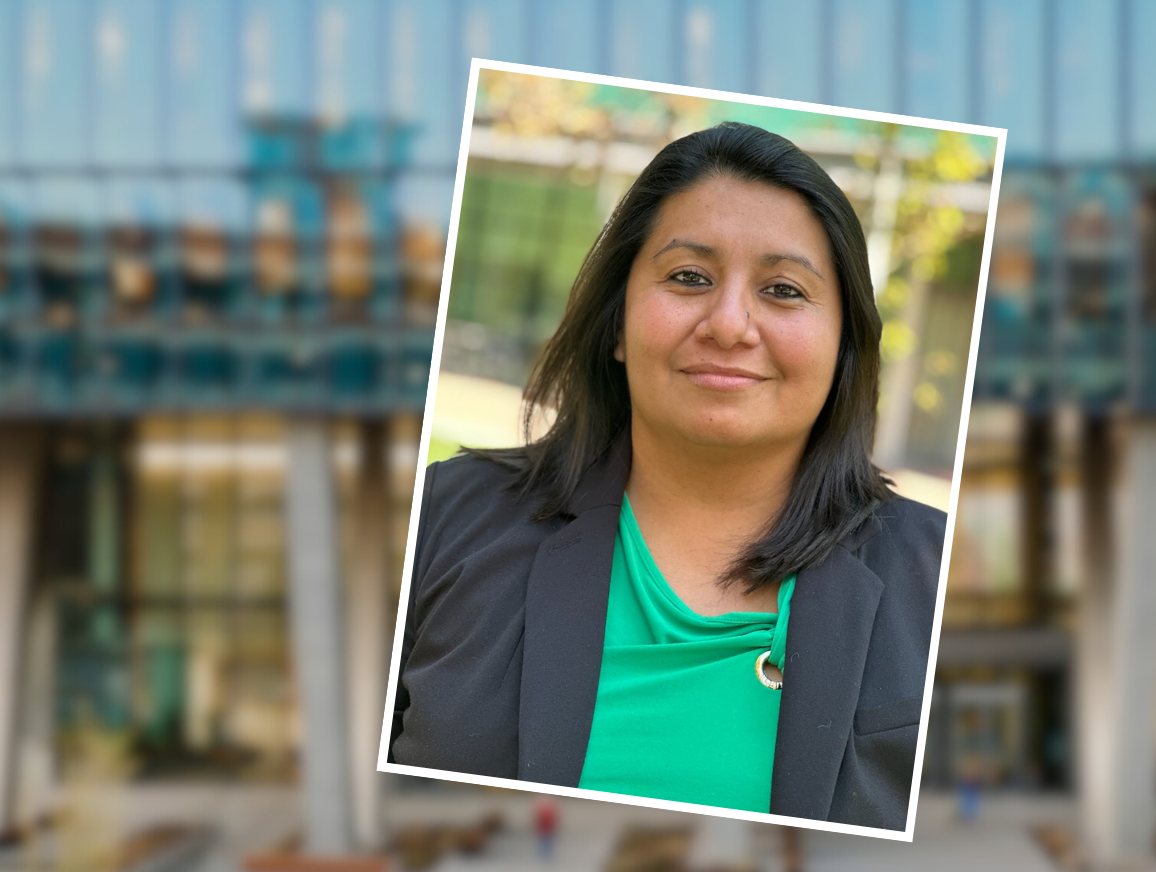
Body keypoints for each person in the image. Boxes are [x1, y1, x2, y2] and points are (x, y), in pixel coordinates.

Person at [389, 121, 945, 831]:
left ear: (844, 349)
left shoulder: (937, 576)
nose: (729, 323)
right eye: (688, 277)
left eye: (782, 289)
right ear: (617, 323)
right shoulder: (444, 516)